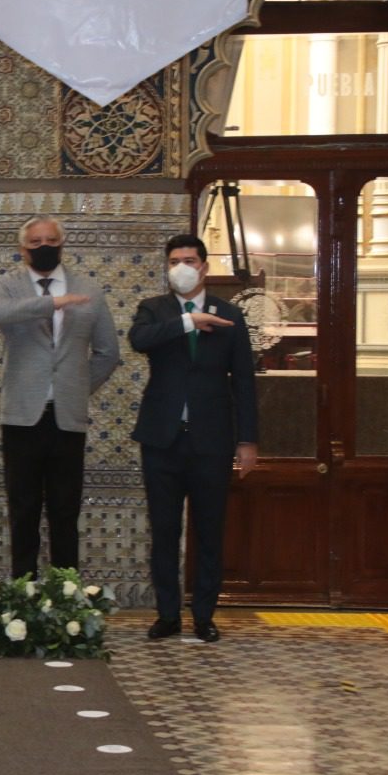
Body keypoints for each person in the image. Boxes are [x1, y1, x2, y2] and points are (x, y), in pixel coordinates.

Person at [130, 234, 258, 643]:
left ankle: (204, 616)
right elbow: (139, 340)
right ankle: (168, 614)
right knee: (165, 531)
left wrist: (248, 441)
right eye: (174, 261)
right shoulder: (154, 309)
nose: (181, 267)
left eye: (188, 260)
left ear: (204, 266)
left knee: (209, 531)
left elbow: (244, 381)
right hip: (162, 439)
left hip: (211, 441)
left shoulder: (230, 315)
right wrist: (189, 321)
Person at [0, 215, 120, 579]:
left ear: (62, 244)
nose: (44, 247)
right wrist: (51, 303)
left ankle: (64, 593)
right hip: (21, 417)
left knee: (65, 512)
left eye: (51, 241)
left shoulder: (88, 288)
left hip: (67, 418)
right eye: (36, 242)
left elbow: (108, 352)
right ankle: (24, 592)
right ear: (23, 250)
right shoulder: (10, 285)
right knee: (23, 510)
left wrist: (76, 387)